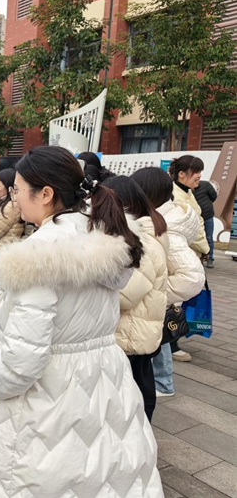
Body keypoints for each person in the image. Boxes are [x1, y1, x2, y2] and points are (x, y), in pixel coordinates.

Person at [0, 146, 162, 498]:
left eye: (17, 189)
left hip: (44, 403)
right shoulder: (101, 236)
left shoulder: (37, 256)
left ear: (45, 194)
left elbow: (21, 362)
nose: (14, 198)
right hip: (102, 385)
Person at [132, 167, 205, 397]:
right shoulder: (164, 219)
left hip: (162, 299)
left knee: (158, 337)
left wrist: (156, 292)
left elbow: (192, 277)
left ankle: (163, 384)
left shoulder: (166, 228)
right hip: (162, 298)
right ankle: (162, 383)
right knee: (159, 336)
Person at [105, 176, 169, 421]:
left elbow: (125, 296)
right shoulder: (140, 236)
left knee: (136, 398)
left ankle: (141, 440)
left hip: (132, 335)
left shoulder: (143, 243)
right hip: (135, 331)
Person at [167, 155, 209, 363]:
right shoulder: (175, 195)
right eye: (196, 172)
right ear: (182, 174)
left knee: (181, 298)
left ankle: (172, 339)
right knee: (175, 299)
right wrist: (204, 247)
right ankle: (170, 342)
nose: (199, 176)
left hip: (191, 251)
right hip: (181, 252)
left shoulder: (187, 191)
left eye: (200, 172)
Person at [193, 179, 218, 268]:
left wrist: (207, 205)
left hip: (208, 216)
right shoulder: (188, 189)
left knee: (209, 238)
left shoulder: (206, 185)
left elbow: (214, 196)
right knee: (196, 238)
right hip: (195, 218)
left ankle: (210, 259)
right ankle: (198, 258)